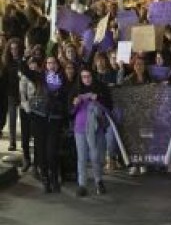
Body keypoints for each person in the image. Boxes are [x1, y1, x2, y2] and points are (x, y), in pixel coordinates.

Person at [20, 56, 68, 193]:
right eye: (48, 62)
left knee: (51, 151)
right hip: (39, 116)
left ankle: (53, 177)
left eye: (53, 62)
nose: (51, 65)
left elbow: (66, 98)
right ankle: (45, 178)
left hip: (54, 118)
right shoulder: (40, 76)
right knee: (40, 150)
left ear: (58, 65)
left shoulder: (62, 79)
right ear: (45, 65)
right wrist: (28, 55)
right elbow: (23, 69)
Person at [70, 66, 112, 197]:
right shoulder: (75, 89)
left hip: (97, 129)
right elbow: (69, 111)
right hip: (80, 128)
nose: (86, 80)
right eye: (83, 77)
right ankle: (82, 184)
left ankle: (98, 181)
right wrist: (75, 103)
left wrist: (97, 98)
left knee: (96, 157)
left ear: (93, 76)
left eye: (88, 76)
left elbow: (109, 107)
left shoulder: (101, 87)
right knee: (81, 157)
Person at [19, 56, 41, 172]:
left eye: (35, 63)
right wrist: (28, 109)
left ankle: (37, 163)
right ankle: (26, 159)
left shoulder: (41, 76)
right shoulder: (24, 77)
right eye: (30, 64)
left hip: (38, 111)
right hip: (25, 110)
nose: (33, 65)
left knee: (37, 137)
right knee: (25, 136)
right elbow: (22, 94)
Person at [2, 37, 24, 151]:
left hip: (23, 93)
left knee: (24, 119)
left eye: (16, 48)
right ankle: (12, 142)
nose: (14, 51)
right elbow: (4, 79)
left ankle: (25, 141)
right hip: (11, 93)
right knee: (12, 118)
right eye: (11, 49)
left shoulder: (23, 60)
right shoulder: (7, 62)